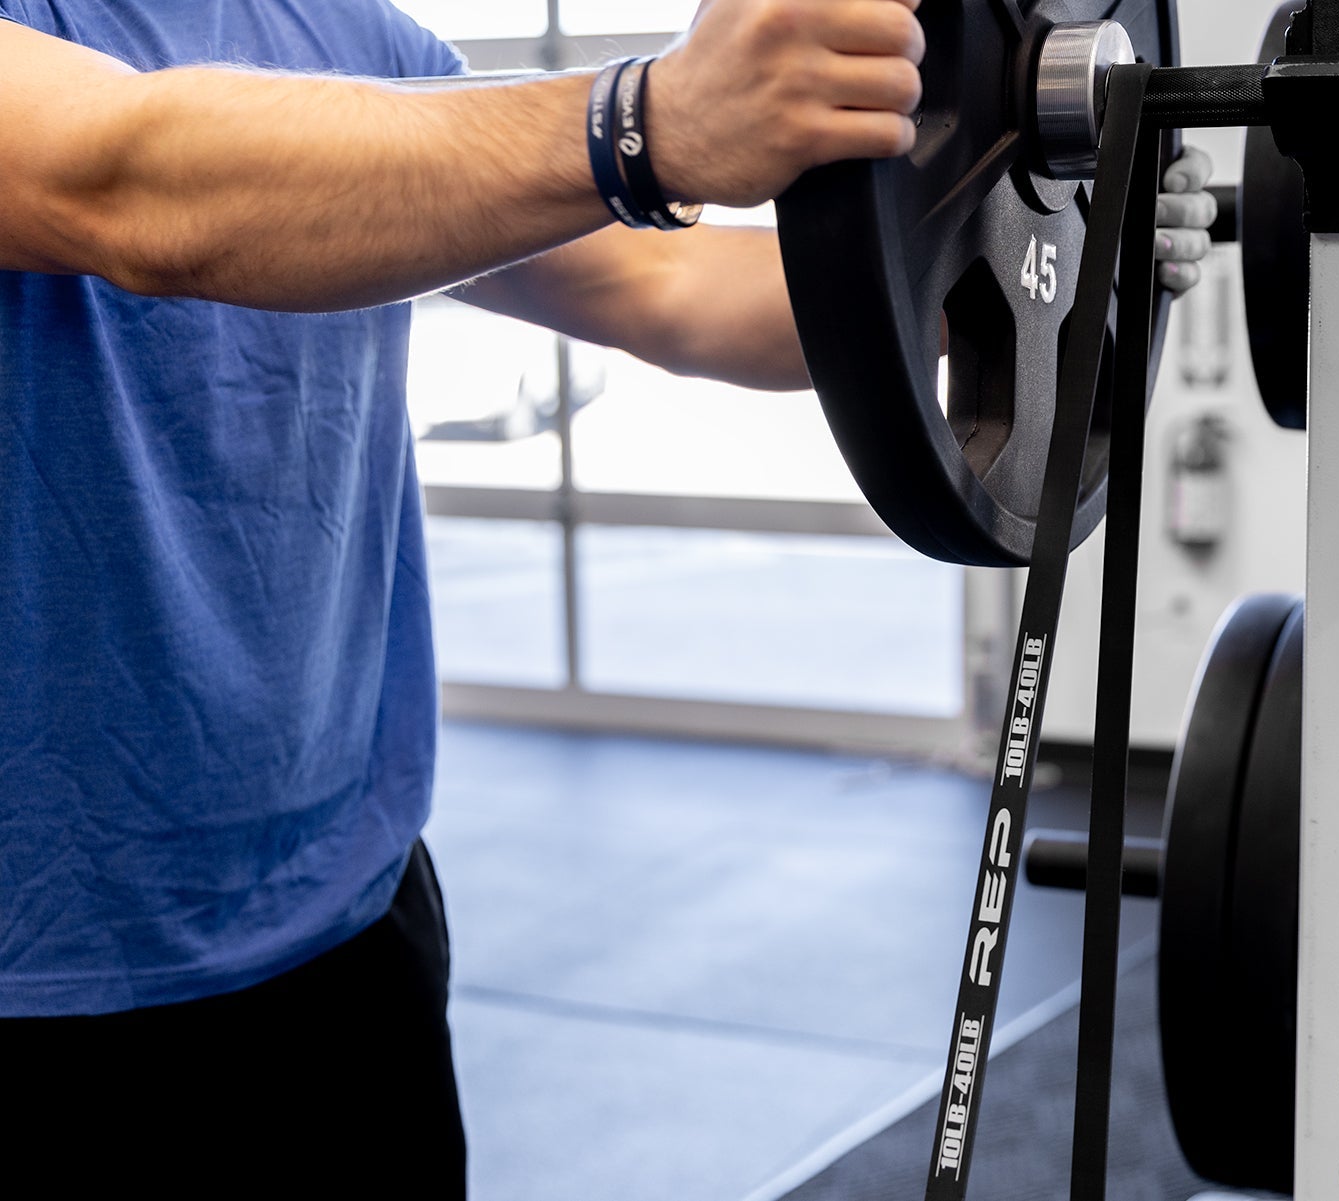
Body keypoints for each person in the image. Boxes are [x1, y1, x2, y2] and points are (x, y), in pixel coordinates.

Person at [0, 0, 1216, 1193]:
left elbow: (668, 291)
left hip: (347, 923)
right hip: (36, 976)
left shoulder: (356, 38)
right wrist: (646, 122)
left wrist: (1028, 250)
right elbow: (125, 183)